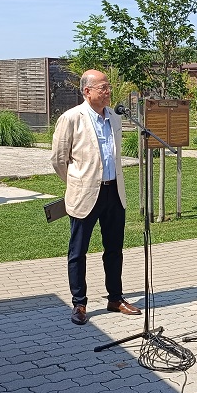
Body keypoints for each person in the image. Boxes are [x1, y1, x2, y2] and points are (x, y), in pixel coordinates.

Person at [50, 69, 141, 325]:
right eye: (103, 87)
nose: (108, 91)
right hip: (85, 193)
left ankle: (115, 298)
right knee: (78, 251)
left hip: (114, 191)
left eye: (108, 87)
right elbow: (58, 160)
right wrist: (76, 184)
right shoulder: (71, 118)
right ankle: (79, 303)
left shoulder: (114, 117)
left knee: (114, 249)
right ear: (87, 91)